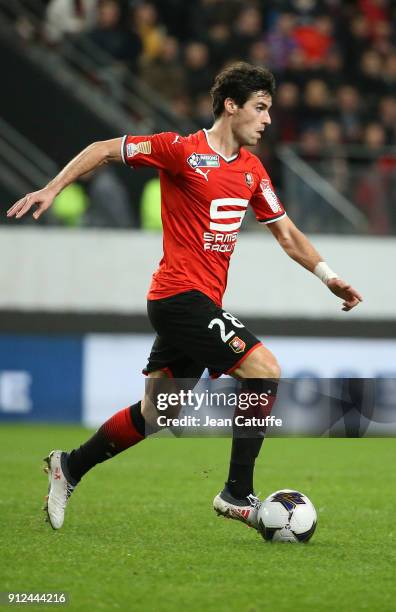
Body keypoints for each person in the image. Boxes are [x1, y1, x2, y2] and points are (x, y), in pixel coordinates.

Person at [7, 62, 362, 531]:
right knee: (265, 369)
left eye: (270, 110)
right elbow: (102, 149)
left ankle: (68, 467)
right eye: (260, 108)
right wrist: (53, 188)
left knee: (158, 413)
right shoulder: (180, 150)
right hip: (179, 296)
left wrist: (327, 275)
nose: (268, 119)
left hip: (199, 304)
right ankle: (237, 494)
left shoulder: (253, 171)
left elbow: (287, 233)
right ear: (230, 106)